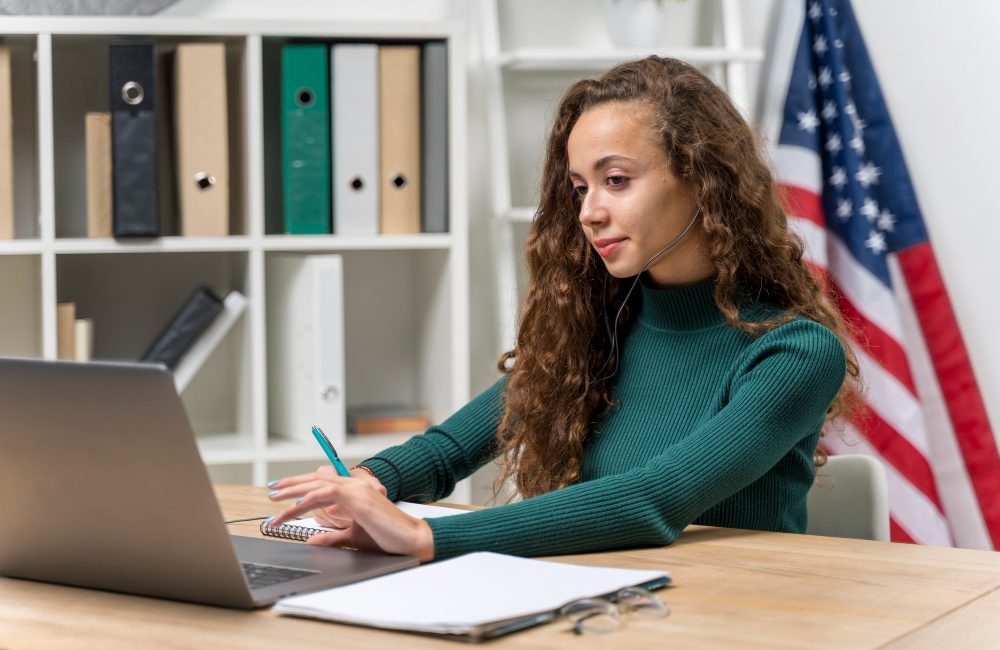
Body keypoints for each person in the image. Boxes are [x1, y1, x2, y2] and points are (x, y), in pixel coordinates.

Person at [267, 56, 859, 563]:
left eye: (617, 180)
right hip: (605, 605)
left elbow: (652, 500)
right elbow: (450, 449)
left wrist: (424, 535)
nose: (589, 212)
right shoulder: (599, 326)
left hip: (739, 621)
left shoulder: (794, 352)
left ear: (705, 181)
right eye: (580, 188)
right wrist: (366, 484)